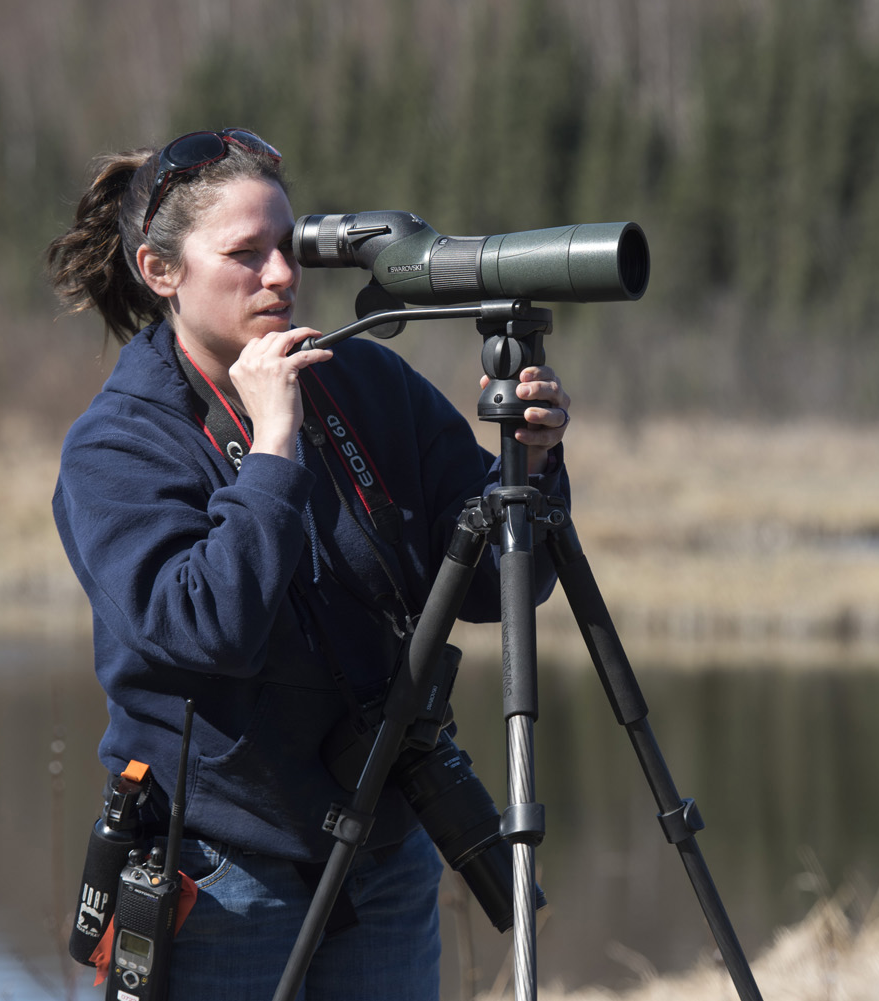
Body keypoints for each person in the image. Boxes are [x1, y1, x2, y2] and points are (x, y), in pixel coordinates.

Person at [46, 128, 572, 999]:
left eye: (287, 248)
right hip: (219, 870)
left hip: (383, 859)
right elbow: (207, 625)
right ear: (160, 269)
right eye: (246, 255)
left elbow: (494, 584)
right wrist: (275, 447)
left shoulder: (365, 381)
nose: (282, 276)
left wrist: (536, 462)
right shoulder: (118, 445)